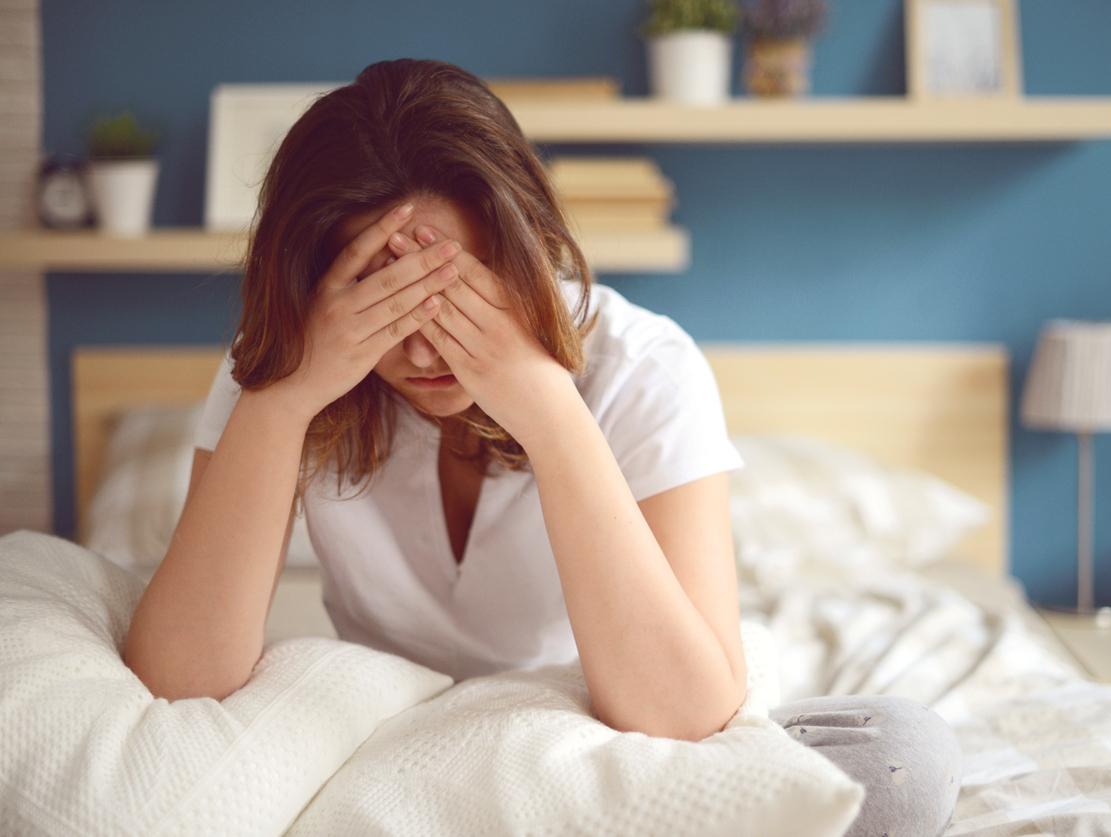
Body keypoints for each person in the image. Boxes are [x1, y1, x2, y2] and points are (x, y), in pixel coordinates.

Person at [123, 58, 960, 834]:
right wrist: (287, 397)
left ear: (525, 255)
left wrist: (549, 409)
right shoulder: (278, 368)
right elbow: (181, 678)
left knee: (898, 759)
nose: (426, 352)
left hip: (604, 738)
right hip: (400, 750)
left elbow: (683, 713)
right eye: (385, 302)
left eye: (459, 297)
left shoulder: (643, 367)